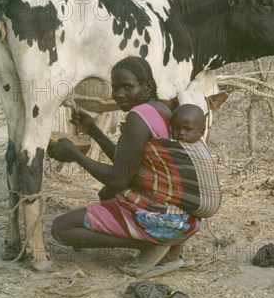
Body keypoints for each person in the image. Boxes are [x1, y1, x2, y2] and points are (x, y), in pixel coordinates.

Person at [48, 56, 202, 277]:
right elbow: (127, 161)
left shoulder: (138, 117)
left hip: (161, 218)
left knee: (62, 228)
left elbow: (118, 178)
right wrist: (93, 130)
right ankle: (168, 245)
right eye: (116, 87)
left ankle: (149, 244)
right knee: (107, 195)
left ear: (146, 86)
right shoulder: (160, 109)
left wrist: (75, 155)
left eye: (127, 87)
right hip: (181, 217)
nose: (119, 94)